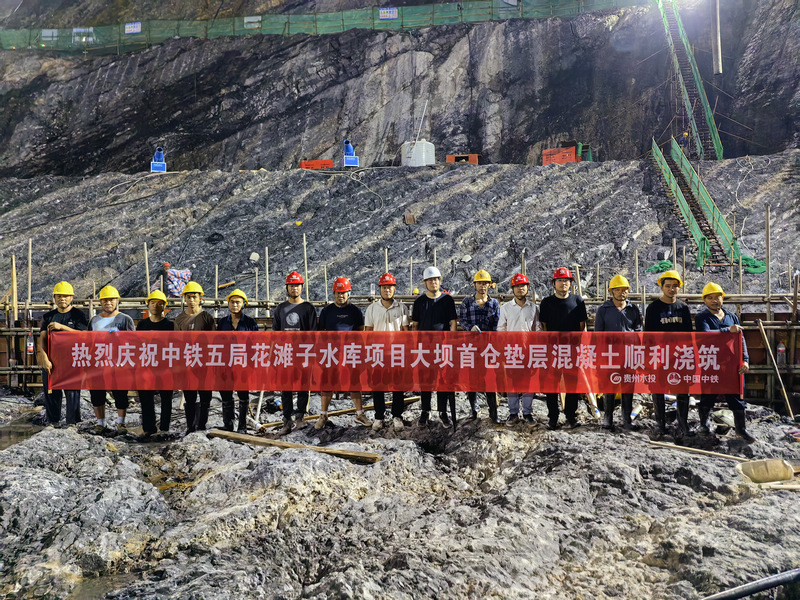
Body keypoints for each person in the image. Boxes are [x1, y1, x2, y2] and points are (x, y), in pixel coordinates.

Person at [695, 282, 755, 443]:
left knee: (736, 397)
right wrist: (727, 330)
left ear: (723, 298)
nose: (715, 301)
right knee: (708, 395)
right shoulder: (702, 317)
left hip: (731, 364)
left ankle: (741, 430)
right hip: (711, 362)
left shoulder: (732, 317)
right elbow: (705, 335)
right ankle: (704, 426)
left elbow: (740, 339)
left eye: (718, 297)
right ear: (705, 300)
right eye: (711, 298)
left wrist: (746, 360)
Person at [314, 277, 372, 430]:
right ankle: (323, 414)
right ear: (334, 294)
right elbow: (321, 333)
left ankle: (360, 413)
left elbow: (360, 332)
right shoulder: (327, 311)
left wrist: (360, 353)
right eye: (338, 293)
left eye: (343, 293)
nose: (341, 296)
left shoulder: (355, 311)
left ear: (349, 293)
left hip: (351, 351)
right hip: (331, 352)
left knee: (354, 382)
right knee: (327, 382)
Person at [645, 269, 693, 439]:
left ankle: (682, 424)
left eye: (675, 286)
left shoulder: (683, 308)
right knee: (657, 389)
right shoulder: (653, 309)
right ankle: (660, 424)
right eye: (668, 286)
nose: (671, 289)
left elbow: (689, 335)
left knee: (683, 390)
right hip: (659, 356)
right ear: (662, 287)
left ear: (679, 287)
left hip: (679, 357)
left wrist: (690, 357)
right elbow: (648, 335)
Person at [539, 267, 587, 430]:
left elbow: (582, 326)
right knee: (551, 385)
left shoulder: (578, 301)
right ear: (554, 283)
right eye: (560, 280)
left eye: (566, 280)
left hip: (571, 350)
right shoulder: (546, 302)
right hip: (552, 350)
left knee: (572, 384)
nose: (563, 283)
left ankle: (571, 416)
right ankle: (553, 417)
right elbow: (544, 326)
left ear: (571, 283)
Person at [411, 266, 458, 428]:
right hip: (425, 348)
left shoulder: (447, 300)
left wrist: (450, 343)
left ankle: (442, 412)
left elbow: (453, 322)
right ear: (425, 283)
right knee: (426, 381)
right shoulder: (419, 302)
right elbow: (415, 325)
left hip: (443, 346)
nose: (433, 282)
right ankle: (425, 410)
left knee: (443, 381)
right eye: (430, 280)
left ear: (440, 281)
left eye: (436, 279)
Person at [595, 274, 643, 431]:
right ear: (611, 292)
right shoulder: (604, 310)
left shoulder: (633, 309)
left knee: (628, 387)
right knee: (609, 387)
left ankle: (627, 419)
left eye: (625, 290)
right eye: (618, 290)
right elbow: (598, 333)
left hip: (629, 354)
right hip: (610, 355)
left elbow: (638, 329)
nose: (622, 293)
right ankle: (608, 419)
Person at [38, 281, 88, 427]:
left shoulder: (78, 315)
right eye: (59, 296)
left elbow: (84, 335)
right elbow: (42, 340)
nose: (62, 299)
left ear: (71, 297)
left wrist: (62, 327)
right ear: (54, 298)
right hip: (52, 361)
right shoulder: (48, 316)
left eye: (65, 296)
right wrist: (45, 358)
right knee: (51, 392)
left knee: (72, 393)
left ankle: (73, 423)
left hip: (72, 361)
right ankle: (53, 422)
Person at [273, 271, 318, 435]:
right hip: (286, 353)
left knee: (303, 387)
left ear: (302, 287)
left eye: (297, 285)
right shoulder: (281, 309)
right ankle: (286, 419)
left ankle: (300, 417)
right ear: (287, 287)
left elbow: (313, 332)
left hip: (303, 353)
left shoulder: (308, 308)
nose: (294, 288)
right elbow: (275, 334)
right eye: (292, 285)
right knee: (286, 388)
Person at [364, 272, 410, 431]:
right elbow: (368, 331)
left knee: (398, 386)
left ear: (394, 289)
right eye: (384, 287)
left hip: (396, 352)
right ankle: (379, 416)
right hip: (378, 352)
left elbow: (405, 331)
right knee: (378, 386)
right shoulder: (372, 309)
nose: (387, 290)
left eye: (390, 287)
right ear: (380, 289)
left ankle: (397, 415)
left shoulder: (402, 308)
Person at [89, 285, 135, 434]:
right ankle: (100, 423)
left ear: (117, 301)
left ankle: (121, 423)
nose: (108, 303)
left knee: (120, 392)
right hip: (98, 361)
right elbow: (88, 341)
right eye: (105, 300)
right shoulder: (94, 320)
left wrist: (121, 337)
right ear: (100, 302)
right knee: (97, 392)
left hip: (119, 362)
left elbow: (133, 341)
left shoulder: (125, 319)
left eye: (111, 300)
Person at [497, 272, 541, 425]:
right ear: (512, 289)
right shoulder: (506, 308)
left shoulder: (534, 308)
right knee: (512, 382)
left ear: (527, 287)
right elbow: (501, 329)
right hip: (512, 350)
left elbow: (538, 330)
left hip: (529, 351)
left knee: (529, 383)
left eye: (523, 286)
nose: (520, 289)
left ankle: (527, 413)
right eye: (517, 286)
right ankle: (513, 413)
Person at [174, 281, 216, 433]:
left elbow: (213, 342)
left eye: (194, 297)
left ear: (200, 298)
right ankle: (191, 426)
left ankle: (202, 425)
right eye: (189, 297)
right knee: (190, 396)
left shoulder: (207, 318)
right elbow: (177, 344)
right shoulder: (179, 320)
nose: (191, 300)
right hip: (187, 363)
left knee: (205, 395)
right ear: (185, 299)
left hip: (203, 362)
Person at [459, 269, 500, 423]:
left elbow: (497, 325)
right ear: (474, 285)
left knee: (490, 380)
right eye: (480, 283)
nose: (483, 286)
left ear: (489, 285)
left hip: (489, 347)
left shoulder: (494, 303)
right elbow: (462, 320)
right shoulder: (467, 302)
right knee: (472, 380)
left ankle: (493, 413)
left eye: (485, 283)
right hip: (471, 347)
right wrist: (470, 327)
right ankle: (474, 410)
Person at [218, 289, 258, 433]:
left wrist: (253, 366)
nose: (235, 305)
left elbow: (255, 345)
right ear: (228, 304)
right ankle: (228, 424)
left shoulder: (250, 323)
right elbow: (217, 344)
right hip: (226, 364)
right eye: (232, 302)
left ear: (243, 304)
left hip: (243, 364)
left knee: (243, 395)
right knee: (226, 394)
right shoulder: (222, 323)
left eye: (238, 302)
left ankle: (242, 426)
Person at [136, 290, 175, 437]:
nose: (155, 306)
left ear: (164, 306)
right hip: (146, 365)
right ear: (148, 305)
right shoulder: (142, 325)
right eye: (152, 303)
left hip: (165, 366)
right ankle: (149, 427)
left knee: (166, 397)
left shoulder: (169, 325)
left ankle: (164, 427)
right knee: (145, 396)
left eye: (159, 303)